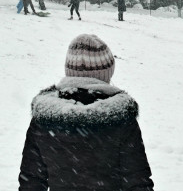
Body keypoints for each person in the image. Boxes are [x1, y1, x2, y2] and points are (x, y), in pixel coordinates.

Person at [18, 34, 154, 191]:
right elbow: (137, 180)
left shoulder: (44, 118)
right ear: (107, 73)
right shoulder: (120, 118)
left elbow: (31, 180)